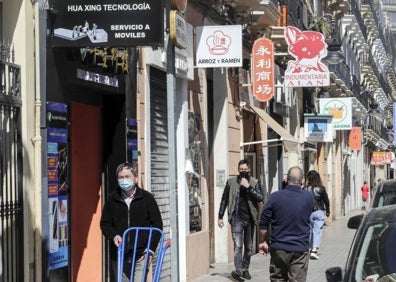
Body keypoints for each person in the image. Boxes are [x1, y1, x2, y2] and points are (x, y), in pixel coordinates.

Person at [100, 162, 163, 282]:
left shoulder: (147, 198)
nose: (124, 180)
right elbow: (105, 224)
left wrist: (150, 249)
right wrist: (114, 236)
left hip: (141, 254)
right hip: (120, 253)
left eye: (127, 176)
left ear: (135, 177)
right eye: (121, 177)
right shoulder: (112, 199)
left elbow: (157, 224)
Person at [258, 166, 315, 282]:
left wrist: (262, 241)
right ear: (302, 181)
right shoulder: (309, 197)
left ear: (286, 179)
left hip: (279, 248)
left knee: (278, 279)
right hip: (300, 248)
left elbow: (263, 222)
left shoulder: (275, 197)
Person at [218, 159, 264, 281]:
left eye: (245, 169)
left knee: (248, 247)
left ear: (249, 169)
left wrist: (248, 187)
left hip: (250, 219)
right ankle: (238, 270)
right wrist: (220, 216)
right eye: (241, 169)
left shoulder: (254, 182)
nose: (243, 171)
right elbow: (224, 199)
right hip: (236, 219)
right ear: (238, 170)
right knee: (238, 245)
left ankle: (245, 269)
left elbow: (260, 197)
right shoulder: (231, 182)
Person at [305, 170, 330, 260]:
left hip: (308, 212)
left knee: (310, 231)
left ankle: (308, 248)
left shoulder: (305, 189)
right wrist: (327, 211)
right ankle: (314, 250)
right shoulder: (321, 189)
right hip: (319, 212)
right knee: (317, 231)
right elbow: (326, 200)